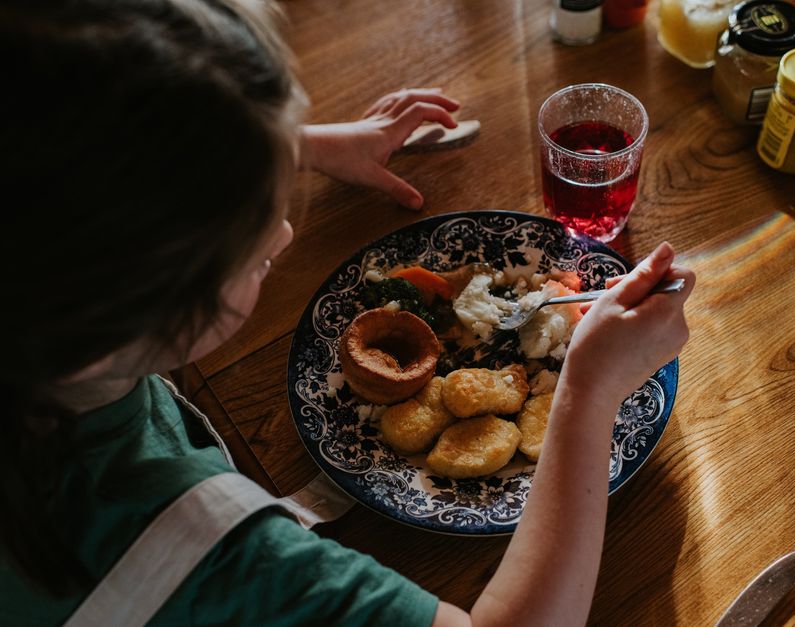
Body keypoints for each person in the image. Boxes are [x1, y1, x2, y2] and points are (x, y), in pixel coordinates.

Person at [0, 0, 695, 625]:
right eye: (250, 236)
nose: (284, 234)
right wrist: (589, 390)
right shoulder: (225, 560)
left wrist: (278, 143)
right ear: (114, 306)